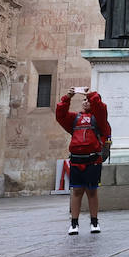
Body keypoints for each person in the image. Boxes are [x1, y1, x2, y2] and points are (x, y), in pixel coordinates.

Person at [55, 88, 111, 235]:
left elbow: (101, 107)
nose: (85, 102)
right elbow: (60, 115)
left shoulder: (99, 119)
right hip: (76, 159)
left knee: (92, 191)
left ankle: (94, 221)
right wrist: (67, 97)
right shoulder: (74, 119)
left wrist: (90, 94)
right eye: (84, 100)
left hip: (93, 159)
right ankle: (74, 223)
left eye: (88, 100)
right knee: (77, 191)